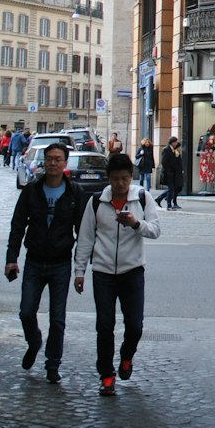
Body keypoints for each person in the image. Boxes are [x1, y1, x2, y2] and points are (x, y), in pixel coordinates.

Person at [74, 151, 162, 395]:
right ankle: (106, 375)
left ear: (131, 177)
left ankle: (126, 357)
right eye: (115, 179)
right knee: (104, 325)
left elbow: (155, 230)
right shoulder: (96, 202)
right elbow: (85, 238)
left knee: (135, 326)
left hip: (132, 270)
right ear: (108, 179)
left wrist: (135, 223)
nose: (120, 184)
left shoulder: (142, 198)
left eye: (124, 178)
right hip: (102, 272)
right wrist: (79, 271)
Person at [4, 140, 84, 385]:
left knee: (57, 318)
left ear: (65, 163)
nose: (53, 163)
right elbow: (18, 225)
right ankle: (34, 341)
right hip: (35, 261)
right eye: (49, 159)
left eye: (58, 159)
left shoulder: (74, 193)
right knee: (26, 311)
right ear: (44, 162)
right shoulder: (32, 190)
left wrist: (81, 268)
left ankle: (53, 364)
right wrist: (11, 259)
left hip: (60, 263)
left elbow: (83, 232)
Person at [159, 136, 183, 209]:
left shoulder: (174, 150)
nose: (176, 143)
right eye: (175, 142)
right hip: (169, 173)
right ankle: (169, 205)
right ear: (172, 142)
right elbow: (164, 162)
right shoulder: (166, 150)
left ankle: (161, 199)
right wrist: (168, 171)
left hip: (175, 173)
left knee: (174, 188)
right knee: (171, 189)